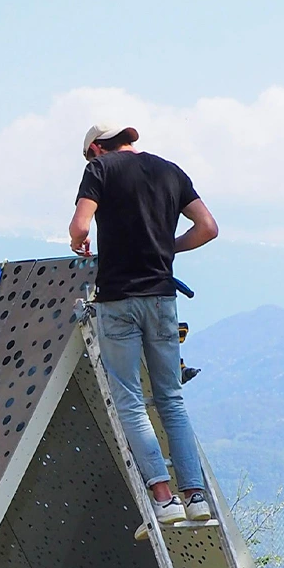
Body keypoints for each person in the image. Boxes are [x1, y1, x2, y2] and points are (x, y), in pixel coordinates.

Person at [68, 123, 218, 538]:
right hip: (162, 299)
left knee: (131, 401)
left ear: (97, 148)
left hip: (118, 301)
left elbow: (81, 225)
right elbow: (207, 227)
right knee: (171, 398)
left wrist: (76, 240)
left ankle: (164, 498)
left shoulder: (101, 170)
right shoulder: (172, 171)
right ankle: (196, 497)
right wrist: (168, 246)